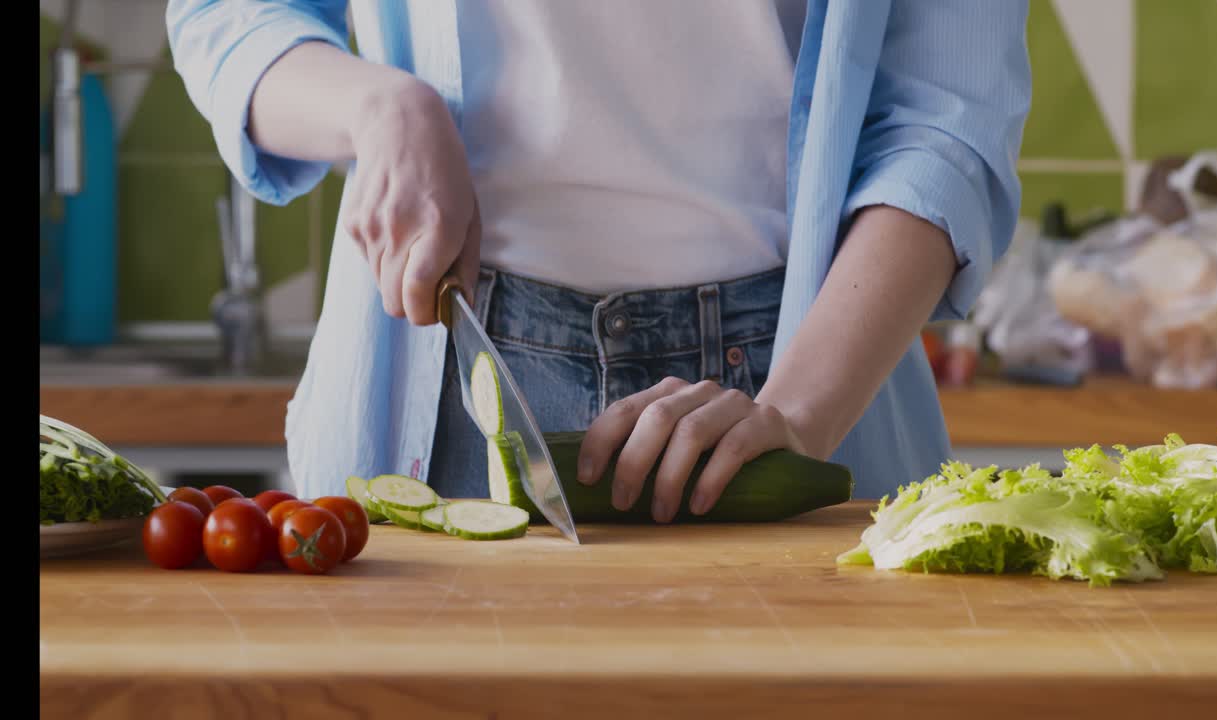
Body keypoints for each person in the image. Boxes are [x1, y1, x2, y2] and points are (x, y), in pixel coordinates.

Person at [167, 0, 1030, 521]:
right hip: (441, 384)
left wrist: (800, 414)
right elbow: (227, 13)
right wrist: (377, 108)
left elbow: (946, 119)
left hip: (793, 397)